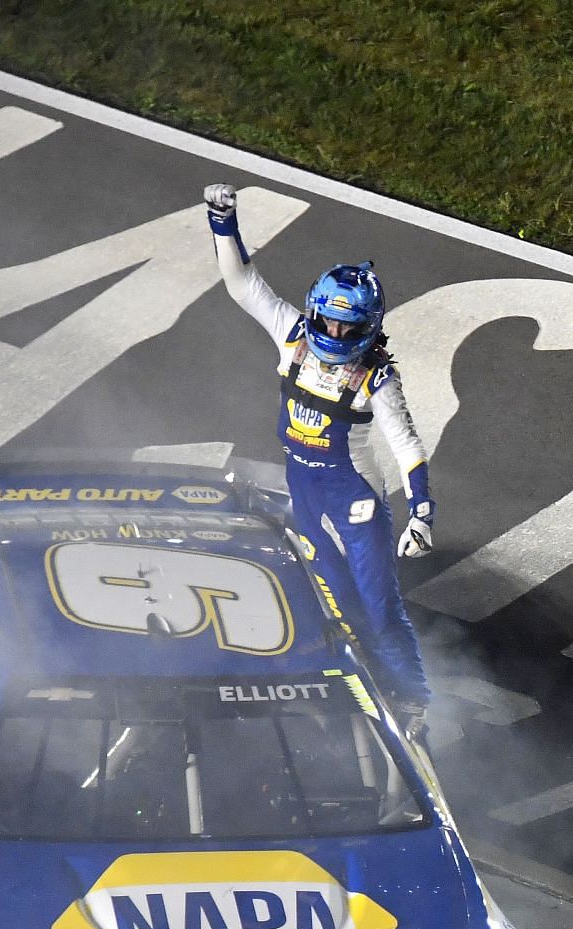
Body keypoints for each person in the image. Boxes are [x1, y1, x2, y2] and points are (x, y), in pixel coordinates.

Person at [202, 182, 432, 724]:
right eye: (327, 320)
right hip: (305, 494)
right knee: (334, 607)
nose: (332, 332)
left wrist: (422, 513)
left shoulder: (378, 377)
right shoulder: (292, 334)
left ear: (367, 328)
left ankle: (415, 701)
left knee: (379, 610)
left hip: (356, 503)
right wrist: (221, 222)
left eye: (345, 326)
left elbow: (408, 446)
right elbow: (243, 286)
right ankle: (358, 694)